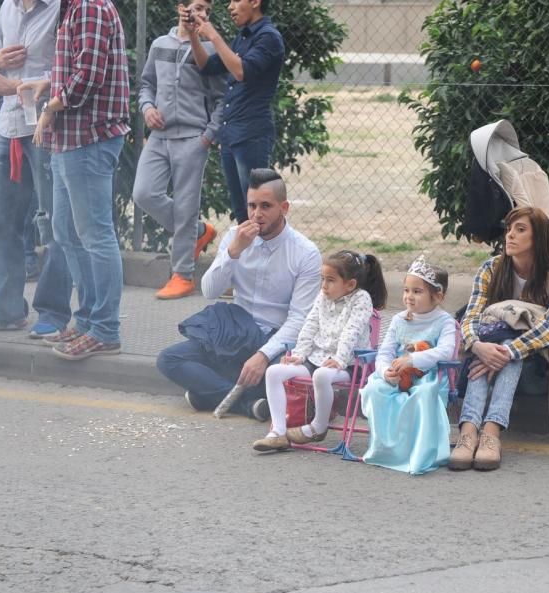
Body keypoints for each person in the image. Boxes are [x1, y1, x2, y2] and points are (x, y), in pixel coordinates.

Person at [157, 168, 321, 419]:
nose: (257, 214)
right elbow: (210, 291)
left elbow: (300, 319)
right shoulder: (235, 238)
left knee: (284, 374)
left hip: (276, 339)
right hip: (234, 333)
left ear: (284, 207)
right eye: (252, 206)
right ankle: (245, 402)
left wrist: (263, 356)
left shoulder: (306, 252)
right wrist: (233, 253)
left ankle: (209, 392)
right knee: (169, 359)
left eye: (266, 206)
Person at [22, 0, 130, 360]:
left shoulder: (89, 7)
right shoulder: (72, 9)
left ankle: (105, 328)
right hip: (70, 141)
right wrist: (49, 83)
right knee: (67, 233)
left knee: (95, 235)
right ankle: (87, 321)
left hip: (90, 137)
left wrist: (51, 108)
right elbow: (73, 69)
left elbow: (88, 76)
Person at [0, 0, 75, 340]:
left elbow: (70, 73)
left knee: (53, 225)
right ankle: (6, 309)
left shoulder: (62, 8)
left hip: (46, 128)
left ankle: (54, 313)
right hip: (8, 128)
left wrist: (12, 86)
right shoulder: (7, 7)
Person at [452, 207, 549, 472]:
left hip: (536, 367)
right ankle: (470, 431)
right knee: (490, 344)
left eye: (520, 230)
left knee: (507, 351)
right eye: (509, 229)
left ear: (538, 237)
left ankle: (491, 430)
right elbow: (470, 319)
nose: (510, 236)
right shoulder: (491, 268)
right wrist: (478, 346)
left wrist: (507, 352)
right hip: (490, 354)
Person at [133, 0, 224, 300]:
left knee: (186, 205)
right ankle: (197, 231)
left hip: (192, 138)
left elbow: (222, 96)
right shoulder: (160, 44)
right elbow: (146, 84)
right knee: (144, 193)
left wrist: (208, 135)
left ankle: (182, 275)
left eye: (207, 11)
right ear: (181, 7)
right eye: (197, 7)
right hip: (158, 137)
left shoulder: (209, 49)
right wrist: (147, 109)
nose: (201, 14)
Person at [252, 250, 387, 451]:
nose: (324, 285)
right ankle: (278, 432)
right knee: (274, 372)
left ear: (350, 284)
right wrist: (299, 354)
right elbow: (310, 325)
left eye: (330, 280)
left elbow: (351, 331)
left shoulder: (361, 299)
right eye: (322, 279)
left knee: (322, 376)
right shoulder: (323, 297)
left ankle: (318, 426)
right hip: (316, 359)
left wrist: (340, 359)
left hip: (350, 365)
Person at [184, 0, 285, 224]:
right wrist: (194, 35)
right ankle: (249, 258)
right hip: (231, 134)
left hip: (251, 134)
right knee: (243, 214)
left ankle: (267, 258)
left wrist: (213, 36)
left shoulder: (268, 37)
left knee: (258, 214)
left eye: (236, 1)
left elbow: (241, 71)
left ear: (255, 2)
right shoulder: (243, 37)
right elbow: (207, 67)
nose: (230, 7)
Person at [361, 256, 458, 475]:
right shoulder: (398, 320)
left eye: (417, 291)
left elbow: (445, 351)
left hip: (429, 375)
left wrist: (412, 360)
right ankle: (385, 450)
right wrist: (385, 371)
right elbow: (384, 352)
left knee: (424, 394)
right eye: (406, 290)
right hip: (397, 373)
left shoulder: (445, 322)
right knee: (376, 389)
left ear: (438, 295)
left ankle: (419, 454)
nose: (408, 297)